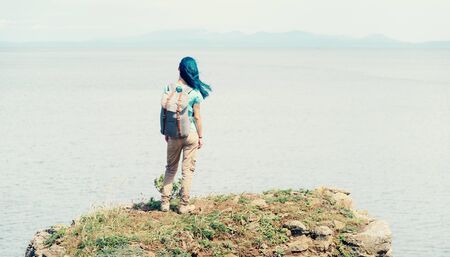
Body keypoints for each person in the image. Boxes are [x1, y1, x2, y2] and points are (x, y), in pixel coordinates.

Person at [160, 56, 212, 214]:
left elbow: (164, 112)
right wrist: (201, 136)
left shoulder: (169, 89)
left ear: (179, 69)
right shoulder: (195, 93)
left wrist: (166, 131)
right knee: (187, 171)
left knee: (170, 169)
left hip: (173, 134)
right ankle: (183, 205)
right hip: (190, 135)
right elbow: (197, 117)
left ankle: (164, 203)